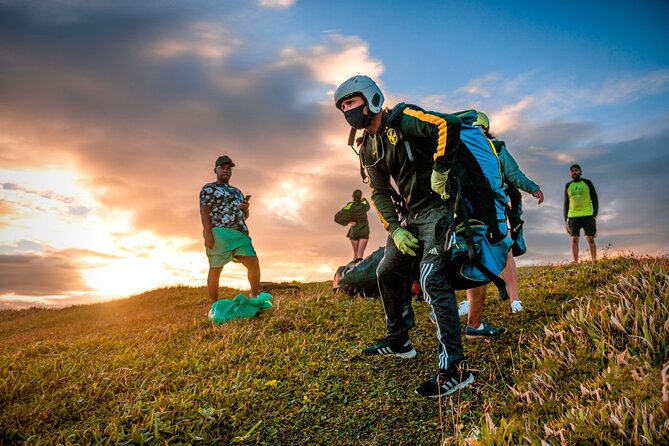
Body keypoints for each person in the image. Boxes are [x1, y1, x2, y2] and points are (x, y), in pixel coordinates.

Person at [334, 75, 474, 398]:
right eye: (343, 108)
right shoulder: (368, 147)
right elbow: (379, 192)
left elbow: (447, 125)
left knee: (430, 279)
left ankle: (456, 368)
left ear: (371, 99)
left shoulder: (405, 118)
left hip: (439, 208)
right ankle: (399, 339)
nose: (347, 112)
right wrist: (394, 229)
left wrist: (440, 169)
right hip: (411, 218)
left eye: (351, 103)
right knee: (386, 270)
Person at [459, 112, 544, 329]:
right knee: (473, 254)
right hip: (471, 209)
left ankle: (515, 299)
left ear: (484, 129)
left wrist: (532, 188)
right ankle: (471, 306)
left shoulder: (496, 148)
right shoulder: (460, 146)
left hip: (496, 208)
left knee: (505, 251)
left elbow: (513, 173)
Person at [199, 155, 261, 303]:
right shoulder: (209, 188)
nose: (226, 170)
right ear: (216, 170)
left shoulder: (237, 192)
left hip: (239, 233)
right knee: (216, 268)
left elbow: (243, 216)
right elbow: (204, 211)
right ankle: (214, 304)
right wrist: (208, 233)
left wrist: (245, 209)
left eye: (229, 168)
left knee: (253, 261)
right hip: (218, 232)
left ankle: (254, 296)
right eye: (222, 168)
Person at [564, 164, 598, 262]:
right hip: (573, 216)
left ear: (580, 171)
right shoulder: (568, 185)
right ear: (570, 173)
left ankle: (594, 261)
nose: (574, 172)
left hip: (587, 214)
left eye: (576, 170)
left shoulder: (587, 183)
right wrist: (565, 219)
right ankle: (575, 262)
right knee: (574, 239)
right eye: (572, 171)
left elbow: (594, 198)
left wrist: (594, 213)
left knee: (590, 238)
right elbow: (566, 203)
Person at [334, 189, 371, 261]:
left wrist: (348, 222)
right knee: (360, 256)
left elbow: (337, 217)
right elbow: (368, 206)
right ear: (361, 196)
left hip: (354, 230)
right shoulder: (363, 204)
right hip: (364, 230)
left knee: (355, 256)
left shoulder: (349, 205)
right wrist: (364, 199)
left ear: (352, 196)